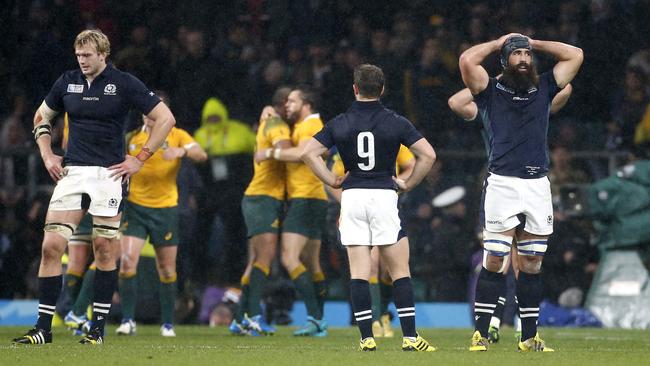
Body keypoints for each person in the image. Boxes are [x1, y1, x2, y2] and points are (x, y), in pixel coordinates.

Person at [12, 29, 175, 345]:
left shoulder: (124, 83)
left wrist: (139, 158)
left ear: (103, 54)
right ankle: (43, 329)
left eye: (88, 56)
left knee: (103, 248)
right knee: (50, 247)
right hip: (72, 172)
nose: (82, 61)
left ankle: (97, 329)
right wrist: (47, 154)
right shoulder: (67, 81)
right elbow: (40, 117)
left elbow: (165, 118)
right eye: (79, 56)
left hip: (109, 175)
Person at [459, 33, 583, 352]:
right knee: (495, 259)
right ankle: (481, 333)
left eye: (527, 54)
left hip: (538, 184)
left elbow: (575, 54)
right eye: (517, 54)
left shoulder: (544, 86)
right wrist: (499, 41)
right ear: (505, 61)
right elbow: (467, 61)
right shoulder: (489, 90)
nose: (524, 58)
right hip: (502, 183)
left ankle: (528, 337)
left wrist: (535, 42)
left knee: (531, 263)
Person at [301, 64, 436, 351]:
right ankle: (410, 338)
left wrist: (333, 180)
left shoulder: (340, 121)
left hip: (352, 198)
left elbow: (308, 152)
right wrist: (408, 183)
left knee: (359, 272)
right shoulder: (395, 121)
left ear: (355, 88)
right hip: (384, 196)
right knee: (399, 270)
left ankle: (366, 338)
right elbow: (428, 154)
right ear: (382, 89)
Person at [115, 91, 206, 337]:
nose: (149, 115)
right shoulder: (132, 138)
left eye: (153, 110)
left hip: (165, 210)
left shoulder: (177, 136)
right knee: (126, 263)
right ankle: (127, 320)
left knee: (167, 269)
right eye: (146, 110)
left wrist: (183, 152)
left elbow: (201, 154)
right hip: (135, 208)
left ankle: (167, 323)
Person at [255, 87, 328, 336]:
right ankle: (320, 320)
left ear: (306, 103)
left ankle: (315, 317)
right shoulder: (302, 125)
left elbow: (303, 153)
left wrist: (270, 152)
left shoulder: (310, 126)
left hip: (305, 198)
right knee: (312, 262)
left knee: (289, 257)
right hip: (313, 197)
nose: (288, 105)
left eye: (293, 101)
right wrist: (269, 111)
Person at [330, 145, 415, 338]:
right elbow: (333, 178)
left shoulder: (391, 138)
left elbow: (411, 164)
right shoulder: (349, 141)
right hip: (360, 208)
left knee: (388, 270)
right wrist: (345, 201)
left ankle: (383, 311)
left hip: (386, 205)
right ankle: (375, 320)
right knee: (371, 266)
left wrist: (398, 183)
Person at [229, 86, 292, 336]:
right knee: (264, 260)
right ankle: (254, 316)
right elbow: (285, 150)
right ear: (285, 104)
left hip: (261, 198)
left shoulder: (270, 120)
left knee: (255, 262)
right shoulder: (276, 123)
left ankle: (239, 319)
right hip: (262, 198)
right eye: (293, 102)